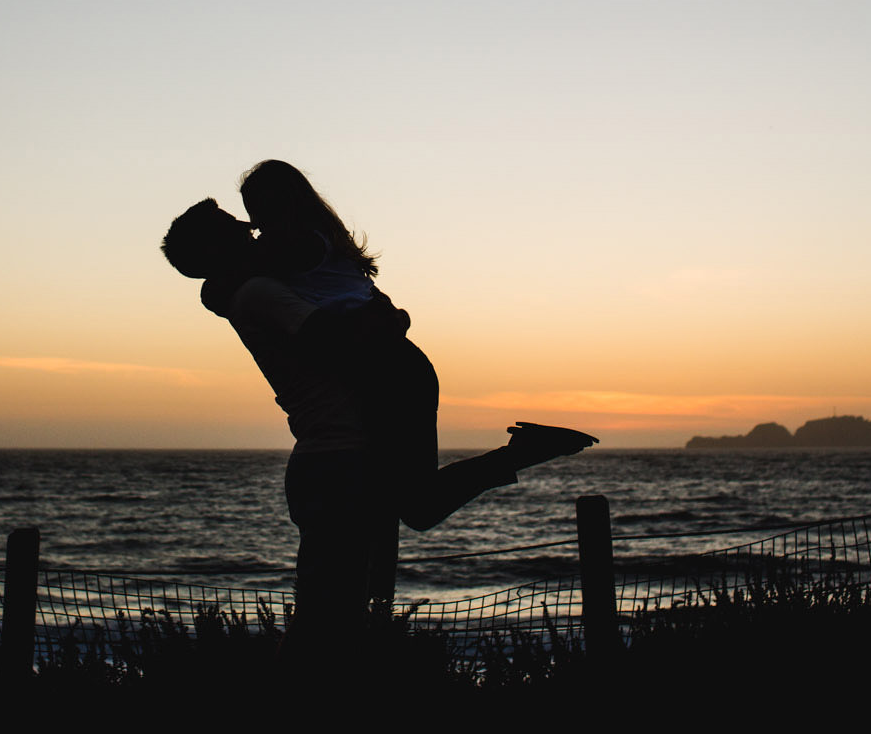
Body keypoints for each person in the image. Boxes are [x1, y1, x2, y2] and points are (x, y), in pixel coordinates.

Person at [161, 172, 595, 650]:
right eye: (236, 225)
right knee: (401, 530)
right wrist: (390, 320)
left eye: (250, 218)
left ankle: (518, 455)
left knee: (368, 573)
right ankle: (519, 455)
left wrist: (388, 321)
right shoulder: (261, 284)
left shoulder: (282, 261)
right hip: (360, 422)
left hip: (377, 402)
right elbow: (332, 334)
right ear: (215, 249)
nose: (250, 227)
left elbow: (325, 326)